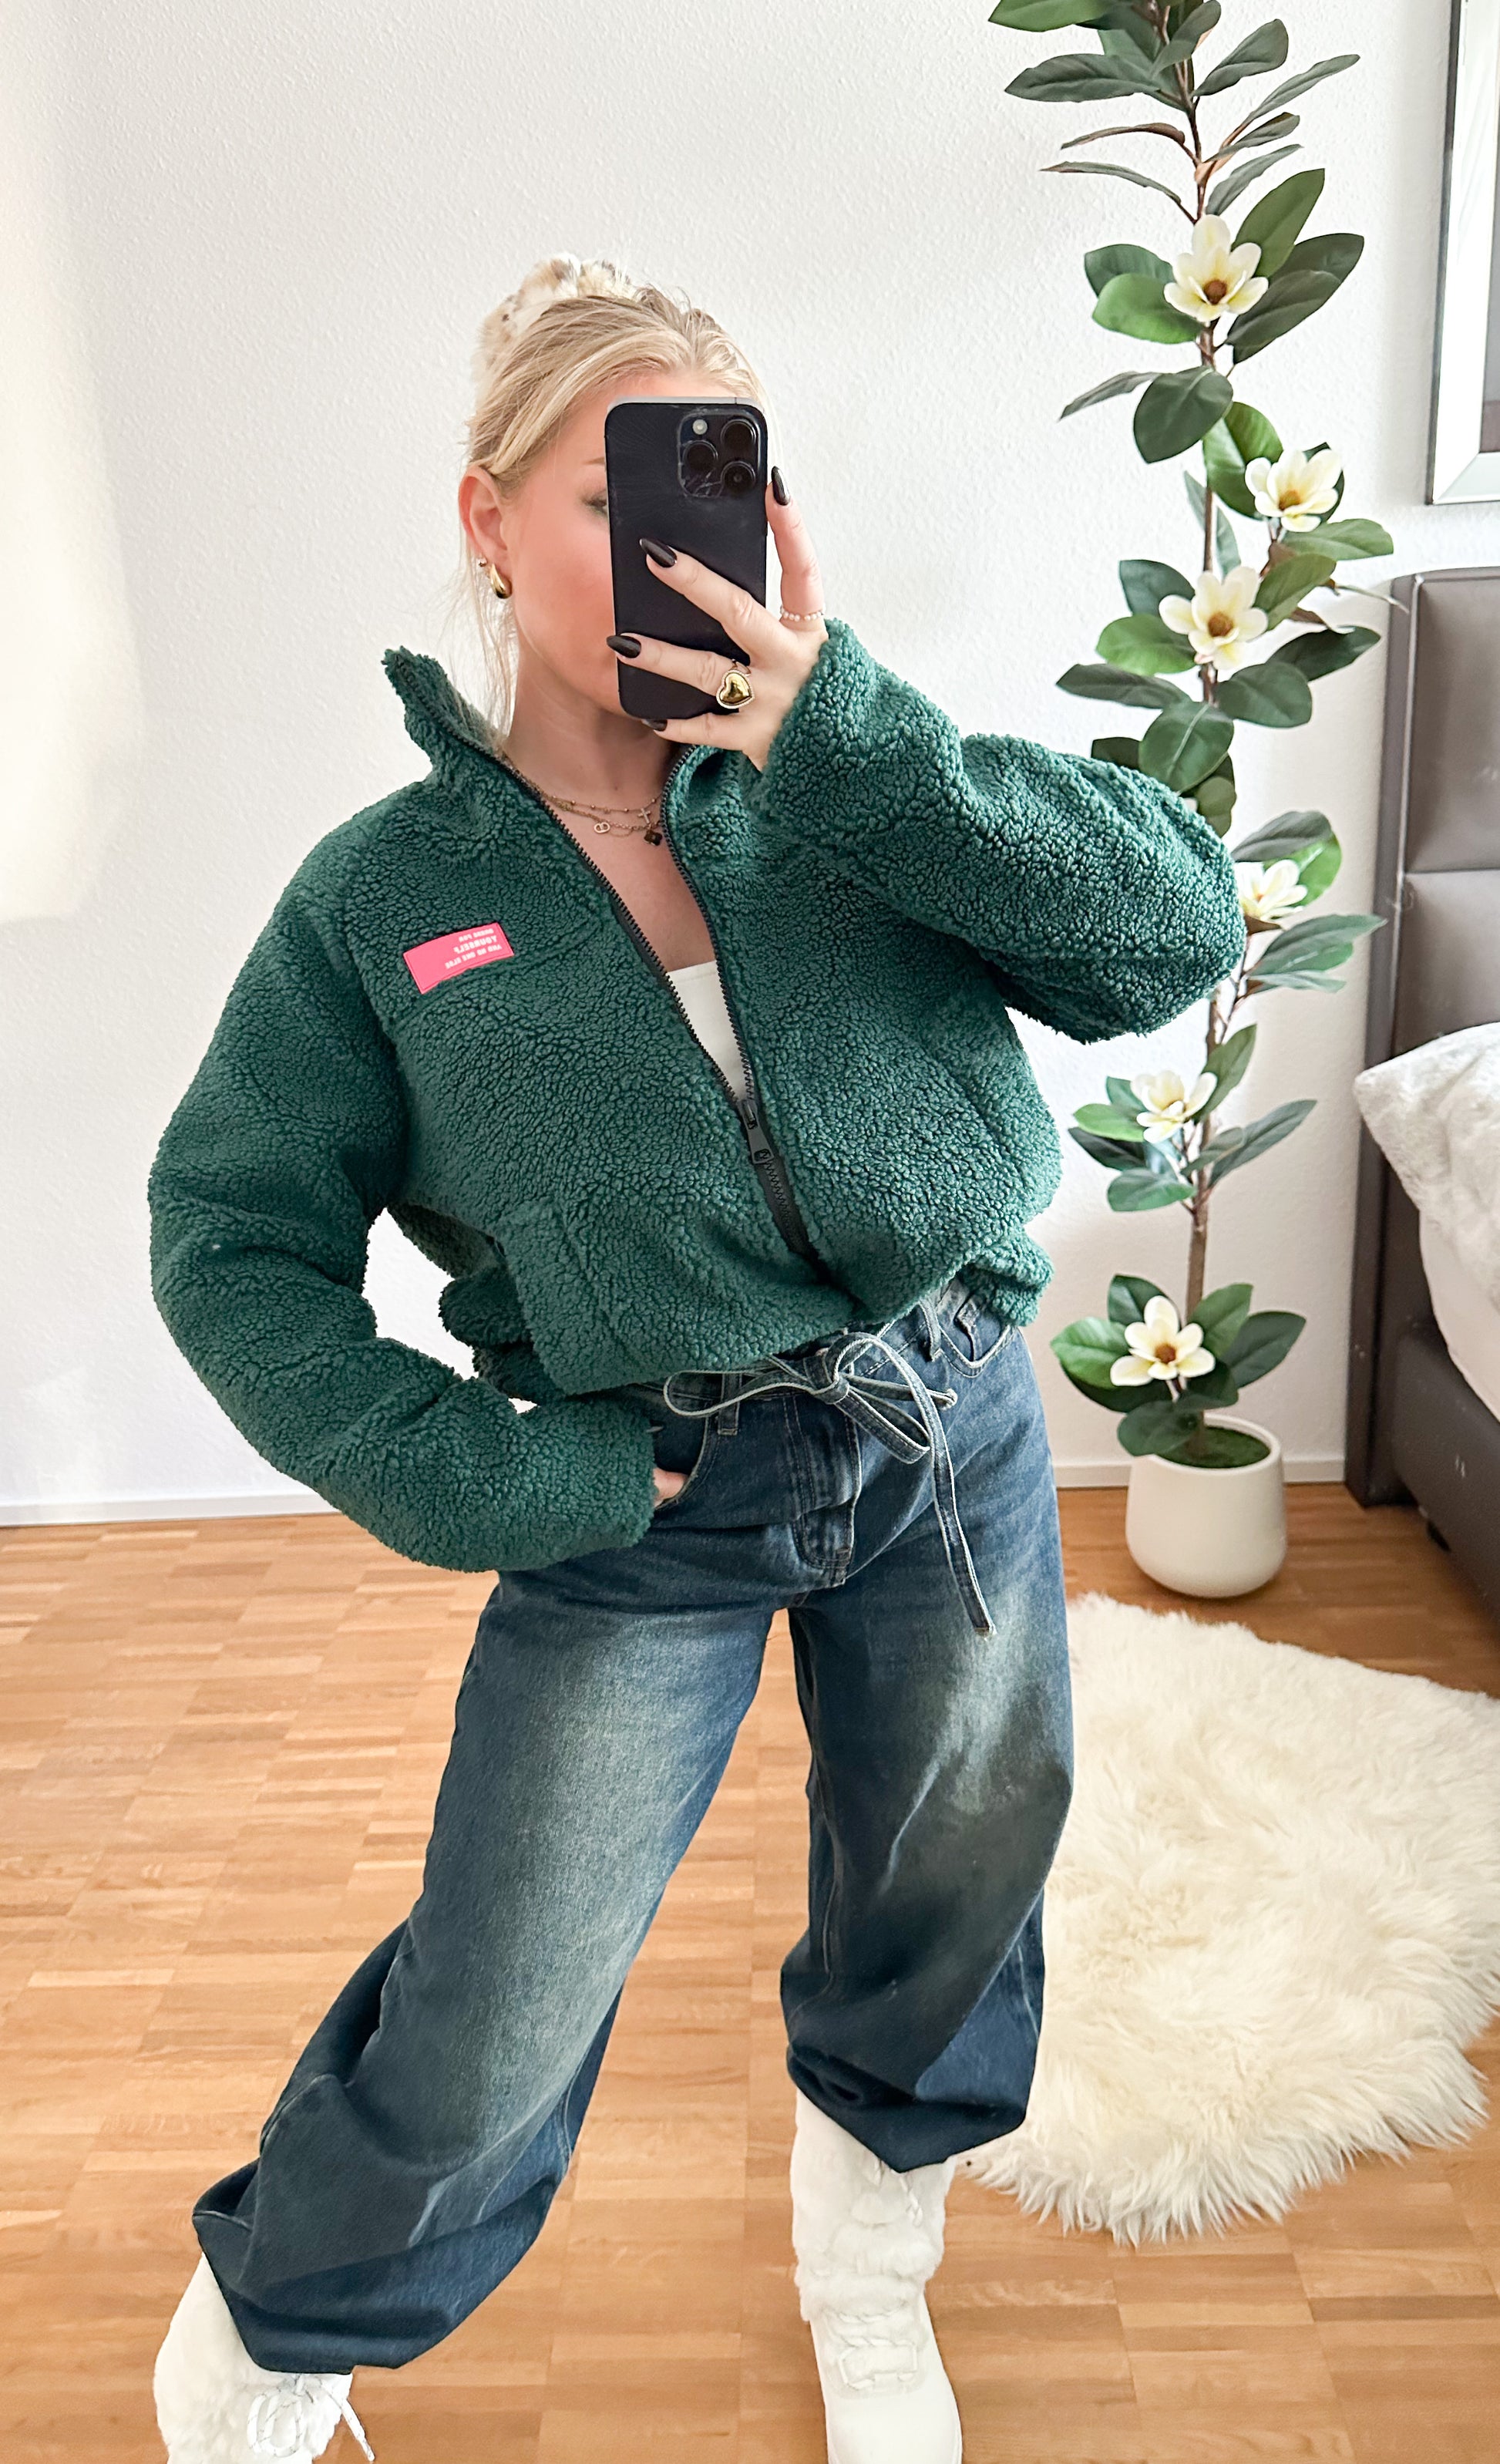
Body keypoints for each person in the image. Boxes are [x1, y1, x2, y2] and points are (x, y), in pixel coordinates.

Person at [147, 252, 1246, 2464]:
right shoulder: (384, 898)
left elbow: (1173, 931)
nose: (674, 551)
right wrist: (492, 1473)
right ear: (486, 523)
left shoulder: (862, 782)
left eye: (718, 488)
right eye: (608, 497)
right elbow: (231, 1240)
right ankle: (263, 2354)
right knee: (501, 1994)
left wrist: (847, 740)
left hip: (947, 1427)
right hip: (637, 1492)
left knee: (952, 1889)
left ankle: (869, 2275)